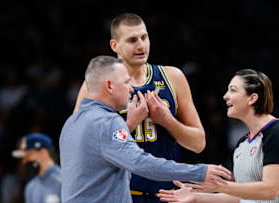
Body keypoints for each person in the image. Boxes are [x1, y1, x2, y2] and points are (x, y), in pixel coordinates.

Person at [73, 12, 206, 202]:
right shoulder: (97, 84)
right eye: (132, 40)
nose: (141, 45)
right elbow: (79, 148)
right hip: (120, 195)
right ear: (114, 46)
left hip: (166, 195)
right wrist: (129, 124)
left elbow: (198, 143)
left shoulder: (172, 77)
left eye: (144, 37)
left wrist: (167, 121)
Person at [60, 55, 231, 203]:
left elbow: (103, 153)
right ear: (109, 86)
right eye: (126, 82)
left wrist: (129, 125)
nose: (131, 88)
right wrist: (199, 172)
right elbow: (140, 163)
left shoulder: (72, 122)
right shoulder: (108, 121)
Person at [158, 69, 279, 203]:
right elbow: (241, 197)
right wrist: (196, 197)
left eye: (233, 90)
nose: (225, 96)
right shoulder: (241, 144)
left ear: (252, 98)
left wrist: (221, 185)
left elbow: (271, 190)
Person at [12, 132, 62, 203]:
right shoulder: (31, 186)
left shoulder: (63, 181)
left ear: (43, 153)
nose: (24, 161)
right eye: (24, 158)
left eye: (28, 156)